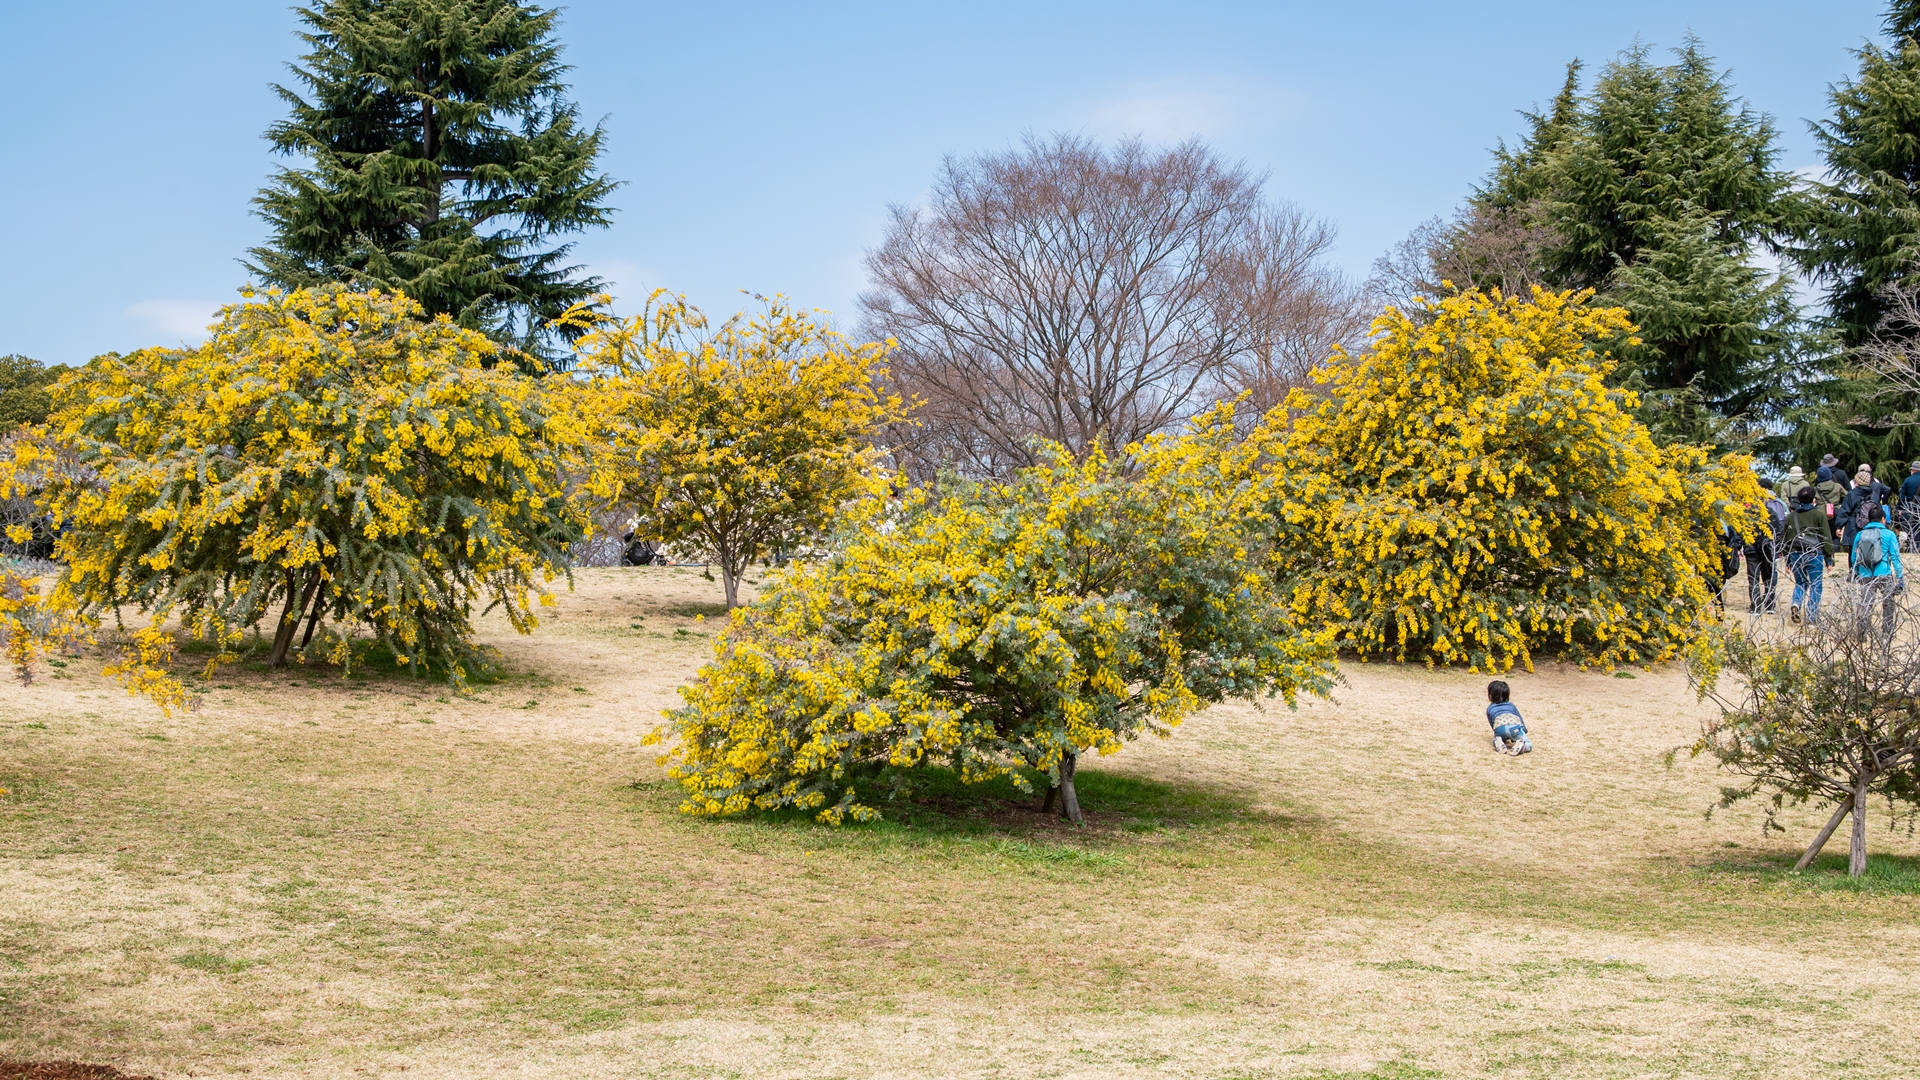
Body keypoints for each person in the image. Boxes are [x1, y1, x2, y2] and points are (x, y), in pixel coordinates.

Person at [1781, 485, 1834, 624]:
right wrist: (1829, 558)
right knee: (1816, 585)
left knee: (1800, 583)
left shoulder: (1792, 517)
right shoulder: (1819, 515)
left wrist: (1787, 560)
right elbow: (1826, 537)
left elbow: (1786, 539)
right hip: (1814, 554)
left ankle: (1796, 603)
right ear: (1813, 500)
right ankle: (1812, 617)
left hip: (1796, 554)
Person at [1850, 504, 1906, 636]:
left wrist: (1856, 572)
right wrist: (1900, 576)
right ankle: (1887, 632)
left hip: (1865, 573)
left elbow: (1854, 557)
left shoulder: (1860, 534)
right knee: (1888, 602)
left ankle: (1862, 633)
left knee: (1866, 603)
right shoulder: (1889, 534)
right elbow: (1895, 558)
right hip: (1884, 573)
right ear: (1883, 519)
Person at [1745, 481, 1784, 614]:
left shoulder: (1748, 514)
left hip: (1751, 549)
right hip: (1768, 549)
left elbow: (1742, 532)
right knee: (1768, 577)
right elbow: (1777, 532)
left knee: (1753, 578)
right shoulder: (1771, 513)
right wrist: (1778, 549)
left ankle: (1755, 606)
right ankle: (1770, 604)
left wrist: (1740, 546)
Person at [1841, 465, 1893, 564]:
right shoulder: (1875, 493)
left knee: (1853, 549)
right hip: (1870, 524)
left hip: (1854, 525)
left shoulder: (1851, 494)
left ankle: (1854, 571)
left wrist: (1839, 525)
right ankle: (1870, 569)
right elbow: (1879, 509)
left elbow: (1844, 510)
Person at [1485, 680, 1532, 755]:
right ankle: (1523, 747)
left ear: (1490, 696)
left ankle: (1499, 742)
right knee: (1528, 743)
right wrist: (1524, 730)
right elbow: (1519, 718)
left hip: (1499, 728)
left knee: (1499, 738)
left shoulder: (1490, 708)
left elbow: (1492, 723)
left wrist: (1496, 732)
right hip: (1514, 728)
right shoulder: (1511, 706)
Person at [1899, 461, 1920, 548]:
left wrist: (1900, 509)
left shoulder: (1907, 480)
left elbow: (1902, 496)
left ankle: (1914, 546)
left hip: (1910, 508)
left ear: (1913, 470)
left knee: (1912, 527)